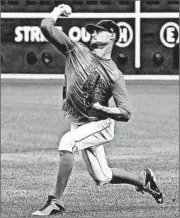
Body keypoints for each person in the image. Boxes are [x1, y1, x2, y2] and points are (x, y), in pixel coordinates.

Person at [32, 4, 163, 216]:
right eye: (91, 31)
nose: (92, 34)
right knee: (102, 177)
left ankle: (55, 202)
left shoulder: (114, 73)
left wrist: (101, 107)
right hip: (79, 121)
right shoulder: (76, 50)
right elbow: (46, 26)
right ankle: (143, 180)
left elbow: (125, 113)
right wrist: (57, 10)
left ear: (111, 36)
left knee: (67, 142)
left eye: (98, 31)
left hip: (100, 124)